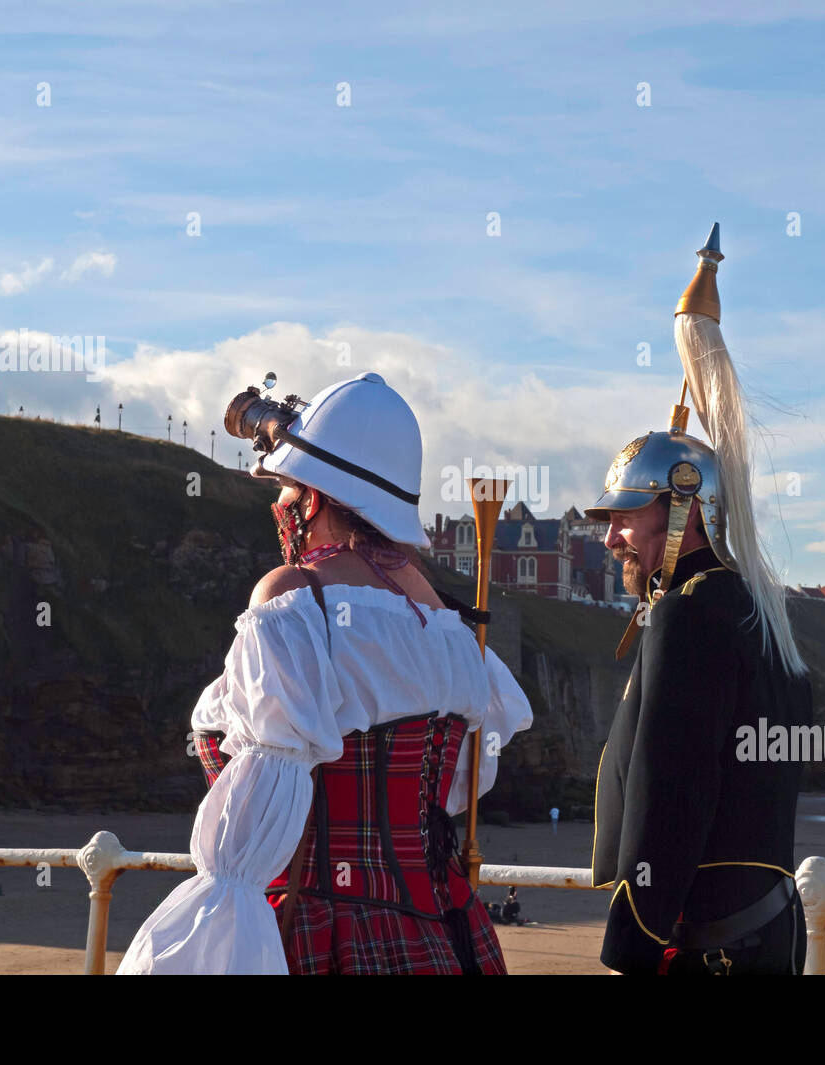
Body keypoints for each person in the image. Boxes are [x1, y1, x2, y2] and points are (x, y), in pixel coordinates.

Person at [117, 372, 533, 974]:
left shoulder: (296, 601)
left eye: (285, 488)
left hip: (317, 931)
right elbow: (453, 794)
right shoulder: (449, 626)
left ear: (313, 499)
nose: (278, 505)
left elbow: (246, 855)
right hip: (445, 939)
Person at [588, 225, 813, 976]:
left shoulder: (689, 614)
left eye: (625, 515)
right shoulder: (750, 608)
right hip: (766, 930)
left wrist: (636, 940)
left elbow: (672, 793)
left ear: (682, 510)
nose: (612, 536)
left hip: (707, 947)